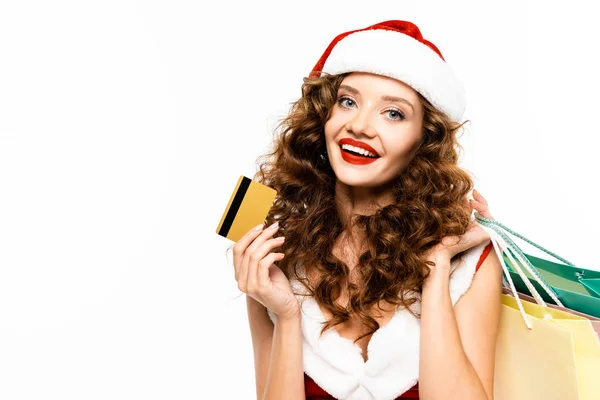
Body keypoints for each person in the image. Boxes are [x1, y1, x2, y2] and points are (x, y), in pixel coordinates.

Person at [232, 20, 503, 400]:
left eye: (393, 113)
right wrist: (288, 316)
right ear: (323, 117)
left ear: (423, 141)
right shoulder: (273, 251)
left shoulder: (468, 261)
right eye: (348, 101)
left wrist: (437, 269)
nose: (359, 126)